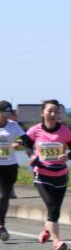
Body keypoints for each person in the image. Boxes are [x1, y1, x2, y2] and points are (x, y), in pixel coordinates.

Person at [18, 99, 71, 250]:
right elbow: (25, 142)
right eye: (49, 111)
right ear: (42, 113)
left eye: (56, 111)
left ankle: (47, 229)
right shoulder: (35, 130)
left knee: (55, 210)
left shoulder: (64, 131)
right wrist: (31, 155)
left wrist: (68, 156)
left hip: (61, 175)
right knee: (52, 207)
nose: (53, 114)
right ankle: (57, 241)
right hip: (42, 175)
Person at [0, 100, 23, 241]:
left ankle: (1, 222)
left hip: (10, 165)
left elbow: (27, 139)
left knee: (5, 196)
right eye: (5, 112)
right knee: (1, 195)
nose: (8, 115)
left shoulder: (13, 126)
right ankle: (1, 226)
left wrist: (19, 143)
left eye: (9, 112)